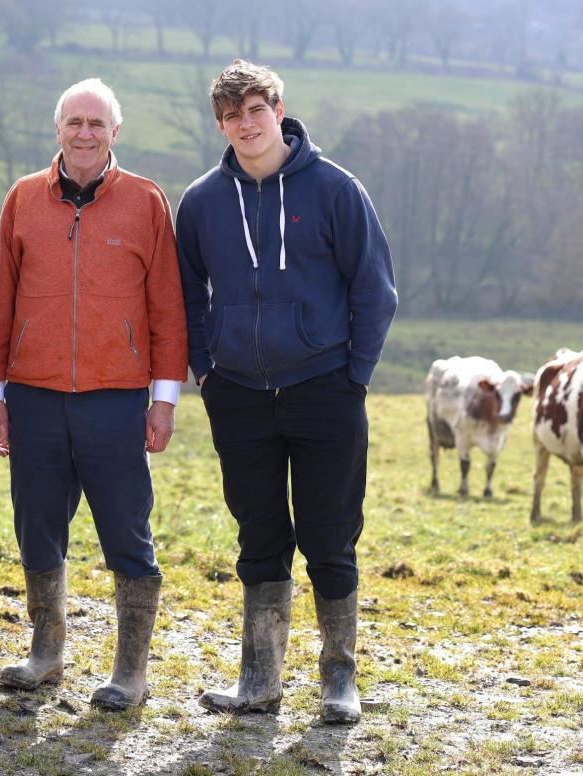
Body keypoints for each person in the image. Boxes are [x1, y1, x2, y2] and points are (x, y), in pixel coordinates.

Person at [175, 60, 397, 721]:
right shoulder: (201, 201)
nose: (245, 124)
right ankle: (259, 680)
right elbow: (186, 294)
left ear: (278, 109)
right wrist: (204, 371)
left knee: (330, 536)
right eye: (231, 115)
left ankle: (337, 680)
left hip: (324, 388)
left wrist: (353, 376)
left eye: (255, 110)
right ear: (220, 123)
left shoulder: (334, 189)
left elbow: (373, 289)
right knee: (258, 536)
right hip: (237, 393)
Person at [0, 78, 187, 710]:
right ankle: (46, 654)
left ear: (114, 132)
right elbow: (0, 302)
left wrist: (164, 398)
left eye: (97, 123)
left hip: (116, 398)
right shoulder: (22, 199)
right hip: (34, 395)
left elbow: (168, 309)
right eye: (74, 121)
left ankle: (131, 670)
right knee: (37, 526)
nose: (85, 132)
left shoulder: (146, 201)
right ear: (58, 129)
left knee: (127, 528)